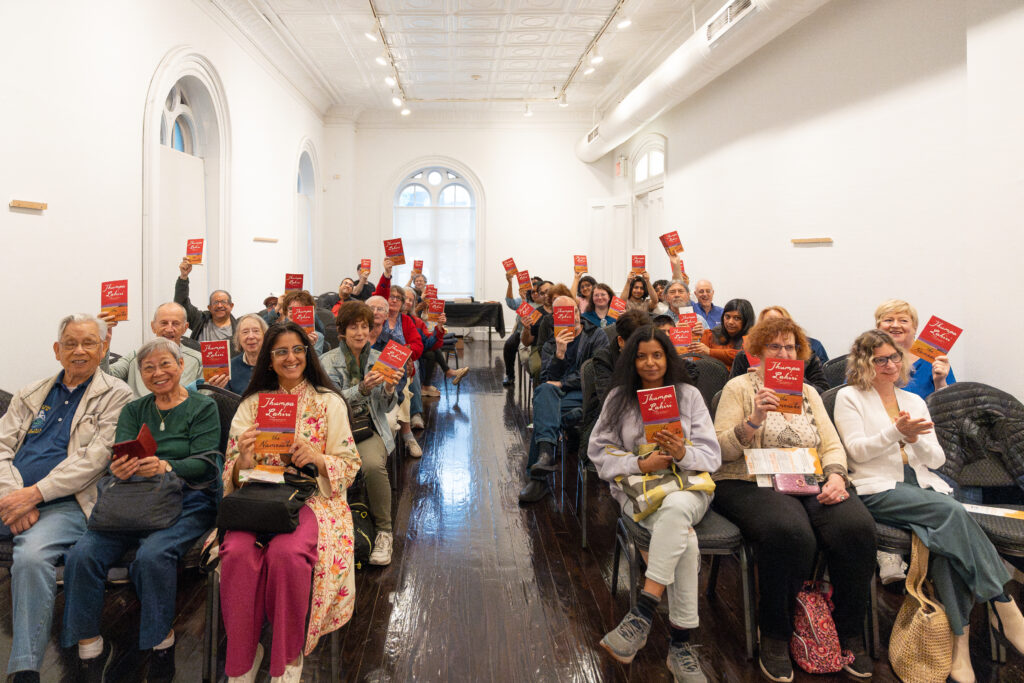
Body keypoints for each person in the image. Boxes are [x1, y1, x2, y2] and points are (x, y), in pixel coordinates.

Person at [833, 329, 1024, 683]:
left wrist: (916, 438)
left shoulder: (914, 400)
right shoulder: (849, 397)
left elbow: (935, 459)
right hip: (876, 487)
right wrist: (896, 432)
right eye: (880, 359)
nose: (890, 365)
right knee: (953, 512)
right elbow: (856, 451)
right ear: (864, 363)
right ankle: (1004, 605)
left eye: (894, 358)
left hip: (921, 484)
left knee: (945, 545)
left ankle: (959, 648)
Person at [712, 317, 876, 681]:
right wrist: (753, 420)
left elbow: (831, 443)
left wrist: (836, 475)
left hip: (808, 476)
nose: (783, 353)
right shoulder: (739, 388)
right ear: (757, 352)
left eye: (789, 347)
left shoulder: (808, 391)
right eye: (775, 347)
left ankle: (847, 630)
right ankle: (775, 632)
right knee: (791, 533)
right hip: (750, 479)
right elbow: (720, 450)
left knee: (857, 527)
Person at [63, 337, 221, 683]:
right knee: (82, 555)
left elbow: (207, 464)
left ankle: (159, 641)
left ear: (182, 366)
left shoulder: (202, 407)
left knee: (152, 554)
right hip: (131, 499)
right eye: (148, 367)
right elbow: (120, 454)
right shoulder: (134, 410)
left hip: (186, 499)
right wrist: (120, 467)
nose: (157, 372)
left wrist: (167, 465)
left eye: (165, 364)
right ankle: (88, 645)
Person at [220, 321, 360, 682]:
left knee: (286, 555)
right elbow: (230, 472)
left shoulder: (329, 402)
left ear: (308, 353)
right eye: (281, 351)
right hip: (255, 498)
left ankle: (286, 658)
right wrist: (245, 461)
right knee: (236, 552)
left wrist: (315, 456)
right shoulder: (252, 405)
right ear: (268, 359)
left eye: (297, 349)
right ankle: (242, 659)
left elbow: (349, 466)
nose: (291, 357)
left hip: (311, 498)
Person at [0, 314, 132, 683]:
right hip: (13, 497)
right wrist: (14, 496)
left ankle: (24, 669)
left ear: (103, 348)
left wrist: (34, 494)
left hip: (68, 502)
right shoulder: (31, 393)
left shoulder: (117, 395)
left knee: (30, 556)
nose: (79, 350)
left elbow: (95, 460)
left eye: (89, 342)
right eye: (70, 343)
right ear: (57, 350)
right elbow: (1, 446)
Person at [589, 325, 720, 681]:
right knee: (685, 539)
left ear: (668, 358)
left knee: (678, 508)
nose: (650, 363)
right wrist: (639, 463)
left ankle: (643, 611)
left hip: (689, 486)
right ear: (632, 359)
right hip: (640, 491)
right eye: (642, 356)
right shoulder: (619, 397)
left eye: (657, 355)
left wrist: (683, 452)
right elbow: (597, 452)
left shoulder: (689, 395)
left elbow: (712, 455)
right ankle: (680, 647)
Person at [321, 302, 400, 566]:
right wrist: (362, 389)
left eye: (364, 326)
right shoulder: (328, 361)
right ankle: (329, 529)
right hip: (335, 431)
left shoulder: (380, 359)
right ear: (342, 331)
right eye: (353, 327)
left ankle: (384, 532)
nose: (359, 332)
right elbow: (331, 403)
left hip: (368, 428)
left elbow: (386, 407)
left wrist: (389, 389)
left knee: (373, 466)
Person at [519, 295, 609, 504]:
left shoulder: (596, 335)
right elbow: (545, 379)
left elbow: (596, 372)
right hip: (557, 397)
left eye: (573, 312)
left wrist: (563, 383)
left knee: (544, 411)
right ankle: (547, 453)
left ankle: (539, 475)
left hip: (584, 394)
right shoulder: (552, 342)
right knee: (544, 393)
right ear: (555, 318)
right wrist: (559, 354)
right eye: (562, 315)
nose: (570, 318)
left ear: (578, 312)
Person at [102, 302, 203, 397]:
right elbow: (105, 379)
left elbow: (205, 397)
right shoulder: (135, 356)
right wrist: (103, 345)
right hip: (138, 413)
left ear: (185, 328)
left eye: (175, 324)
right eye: (164, 323)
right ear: (153, 326)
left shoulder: (198, 360)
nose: (169, 329)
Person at [728, 306, 829, 393]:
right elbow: (731, 393)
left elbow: (824, 394)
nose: (775, 328)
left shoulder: (809, 357)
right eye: (774, 347)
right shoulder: (744, 357)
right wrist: (751, 380)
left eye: (789, 347)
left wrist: (794, 378)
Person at [375, 286, 424, 457]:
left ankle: (407, 434)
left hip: (399, 364)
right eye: (391, 297)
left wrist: (403, 351)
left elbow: (418, 345)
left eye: (398, 297)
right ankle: (406, 433)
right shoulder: (377, 318)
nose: (394, 300)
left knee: (402, 383)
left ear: (403, 303)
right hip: (376, 365)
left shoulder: (406, 321)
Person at [874, 299, 955, 399]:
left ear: (915, 327)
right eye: (888, 320)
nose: (895, 325)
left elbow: (951, 406)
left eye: (903, 320)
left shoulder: (934, 358)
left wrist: (940, 382)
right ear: (878, 327)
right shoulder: (866, 356)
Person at [175, 257, 237, 345]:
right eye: (215, 302)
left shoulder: (240, 328)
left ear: (231, 306)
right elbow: (180, 305)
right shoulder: (200, 321)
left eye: (223, 302)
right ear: (209, 307)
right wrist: (183, 277)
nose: (219, 305)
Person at [204, 313, 267, 395]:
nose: (251, 336)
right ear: (238, 338)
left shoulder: (276, 363)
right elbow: (225, 403)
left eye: (256, 331)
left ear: (265, 335)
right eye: (245, 332)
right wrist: (217, 391)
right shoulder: (229, 368)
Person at [691, 298, 753, 372]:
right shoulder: (710, 334)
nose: (730, 322)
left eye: (737, 318)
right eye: (727, 317)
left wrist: (710, 352)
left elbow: (741, 356)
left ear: (746, 321)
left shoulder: (753, 338)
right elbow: (698, 364)